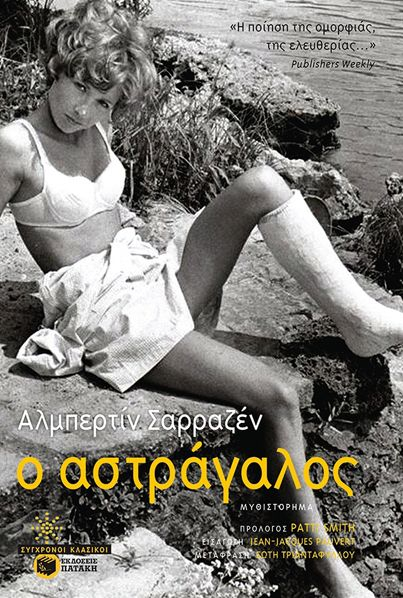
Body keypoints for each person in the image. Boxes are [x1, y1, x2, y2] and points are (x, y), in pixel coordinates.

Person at [0, 0, 400, 595]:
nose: (84, 110)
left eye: (104, 100)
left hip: (146, 270)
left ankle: (361, 321)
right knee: (277, 395)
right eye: (80, 86)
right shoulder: (15, 145)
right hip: (109, 314)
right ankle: (327, 568)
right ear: (57, 65)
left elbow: (108, 209)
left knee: (261, 183)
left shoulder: (95, 124)